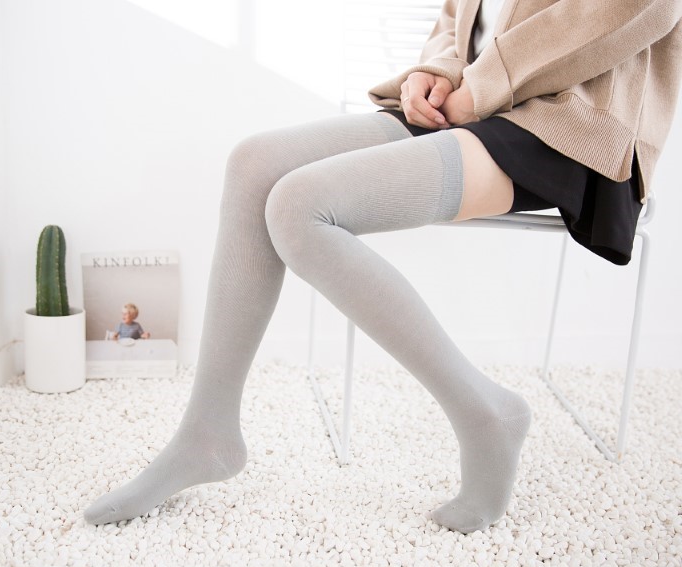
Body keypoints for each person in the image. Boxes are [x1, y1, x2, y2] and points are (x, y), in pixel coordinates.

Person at [84, 1, 682, 533]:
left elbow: (642, 7)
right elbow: (459, 16)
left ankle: (484, 412)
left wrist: (481, 87)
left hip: (563, 120)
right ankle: (207, 432)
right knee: (254, 164)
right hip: (470, 102)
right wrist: (435, 71)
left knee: (299, 207)